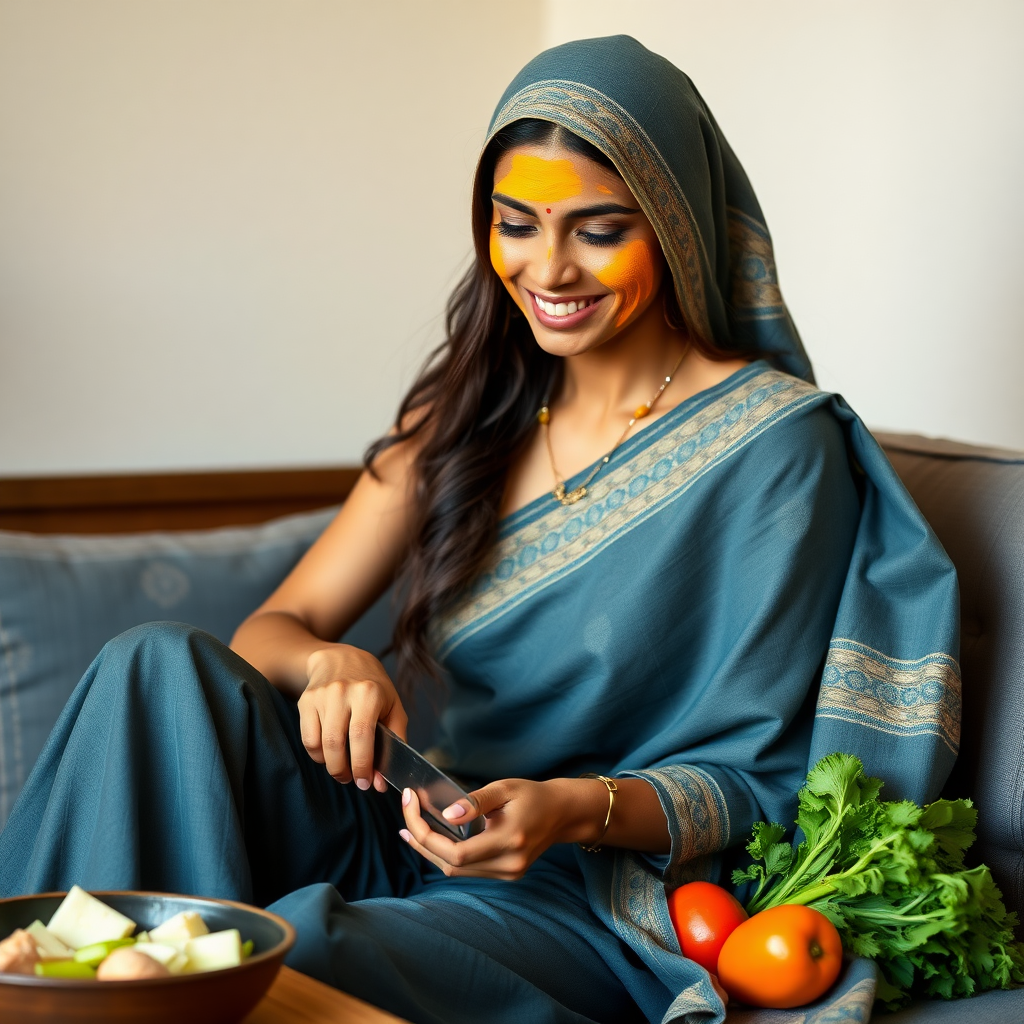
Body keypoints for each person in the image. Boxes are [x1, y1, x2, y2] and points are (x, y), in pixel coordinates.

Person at [0, 35, 960, 1024]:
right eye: (516, 224)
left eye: (598, 230)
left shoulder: (772, 449)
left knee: (297, 949)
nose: (548, 267)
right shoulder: (470, 413)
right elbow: (270, 628)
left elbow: (763, 778)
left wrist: (574, 806)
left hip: (584, 890)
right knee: (153, 664)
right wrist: (331, 663)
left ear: (675, 231)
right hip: (413, 822)